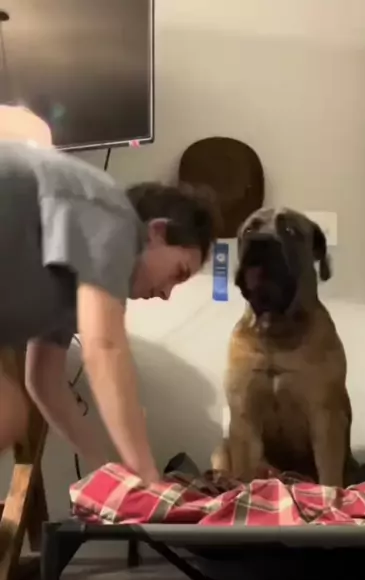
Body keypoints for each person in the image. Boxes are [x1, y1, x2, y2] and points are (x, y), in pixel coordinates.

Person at [0, 141, 216, 485]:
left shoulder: (71, 284)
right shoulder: (113, 215)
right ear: (157, 232)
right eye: (178, 273)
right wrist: (148, 478)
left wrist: (108, 472)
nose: (166, 294)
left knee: (7, 413)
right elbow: (105, 347)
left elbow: (45, 382)